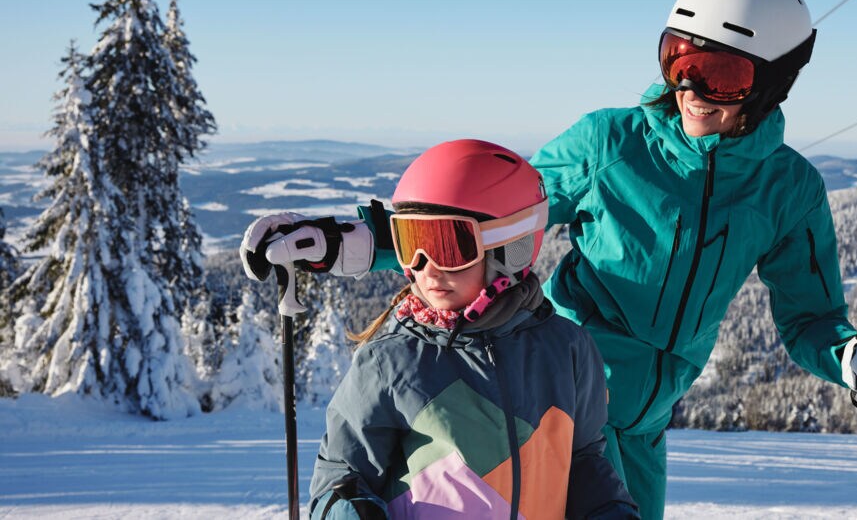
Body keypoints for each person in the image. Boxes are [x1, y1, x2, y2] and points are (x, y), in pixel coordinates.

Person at [524, 0, 857, 518]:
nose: (690, 88)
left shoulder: (788, 189)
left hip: (645, 429)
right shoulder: (611, 142)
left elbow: (812, 318)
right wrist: (390, 239)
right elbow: (496, 216)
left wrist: (854, 359)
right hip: (560, 406)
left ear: (770, 85)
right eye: (678, 59)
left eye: (720, 73)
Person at [241, 140, 639, 519]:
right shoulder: (393, 359)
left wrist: (610, 510)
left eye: (448, 246)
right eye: (410, 241)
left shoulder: (567, 349)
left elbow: (583, 457)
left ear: (510, 246)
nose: (424, 267)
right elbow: (341, 474)